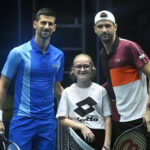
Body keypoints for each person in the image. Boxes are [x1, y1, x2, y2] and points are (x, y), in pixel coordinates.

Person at [0, 8, 64, 150]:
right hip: (22, 120)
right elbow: (3, 84)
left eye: (50, 24)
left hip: (47, 122)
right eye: (43, 23)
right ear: (35, 24)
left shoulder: (59, 55)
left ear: (54, 27)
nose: (46, 26)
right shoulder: (18, 52)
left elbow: (57, 88)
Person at [94, 10, 150, 149]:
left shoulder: (129, 47)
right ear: (95, 30)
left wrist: (148, 111)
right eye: (100, 27)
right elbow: (113, 84)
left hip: (140, 118)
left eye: (108, 25)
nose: (104, 30)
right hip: (119, 119)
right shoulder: (102, 55)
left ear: (115, 27)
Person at [56, 53, 112, 150]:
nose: (82, 69)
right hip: (75, 139)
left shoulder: (101, 91)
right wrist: (81, 126)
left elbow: (108, 119)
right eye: (78, 66)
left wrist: (106, 146)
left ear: (92, 69)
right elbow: (62, 119)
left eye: (86, 66)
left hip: (99, 138)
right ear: (73, 69)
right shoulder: (67, 92)